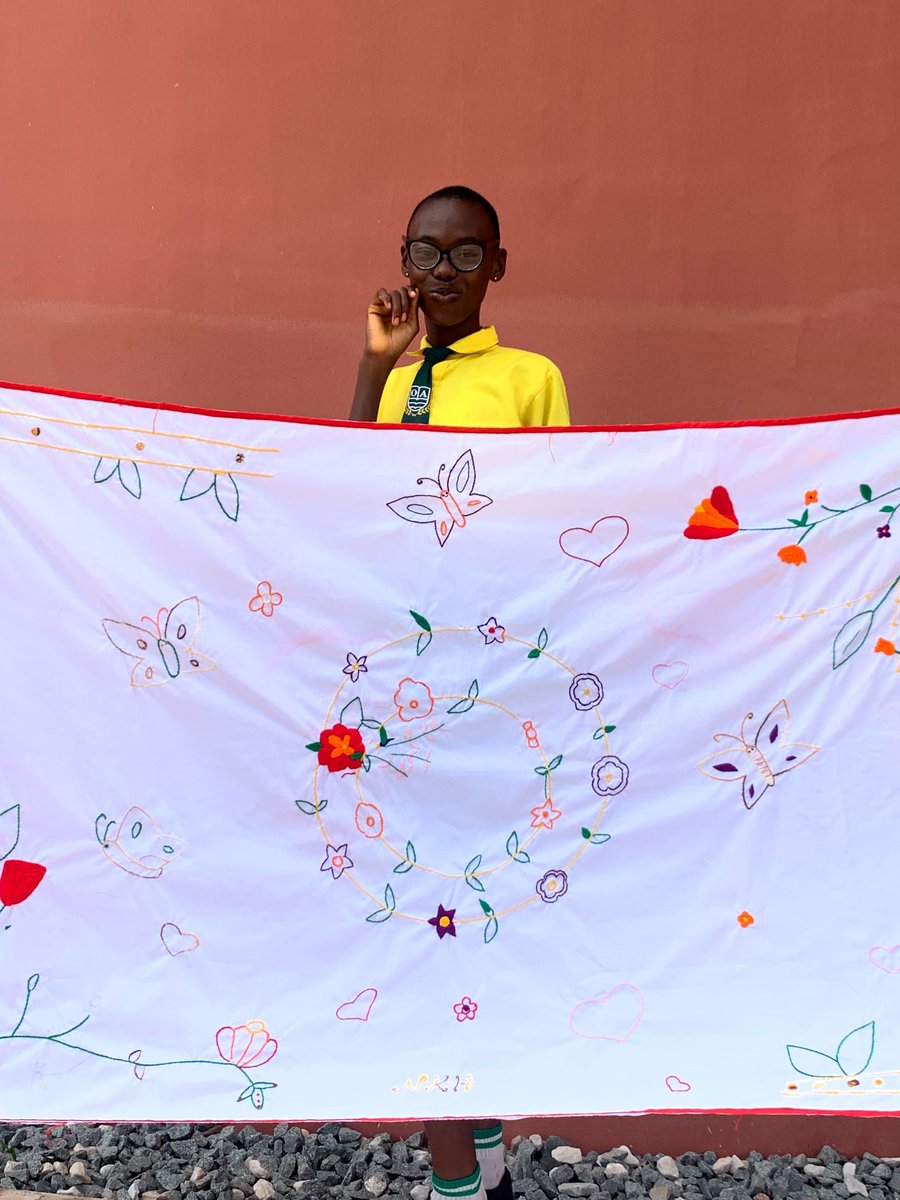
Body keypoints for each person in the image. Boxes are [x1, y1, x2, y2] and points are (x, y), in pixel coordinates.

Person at [350, 185, 570, 1200]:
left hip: (490, 678)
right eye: (425, 252)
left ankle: (476, 1154)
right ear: (404, 260)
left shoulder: (530, 378)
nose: (443, 272)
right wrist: (373, 367)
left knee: (477, 905)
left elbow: (551, 515)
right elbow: (349, 490)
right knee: (416, 905)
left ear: (499, 266)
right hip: (402, 673)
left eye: (466, 252)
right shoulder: (394, 377)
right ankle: (468, 1168)